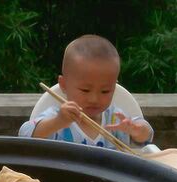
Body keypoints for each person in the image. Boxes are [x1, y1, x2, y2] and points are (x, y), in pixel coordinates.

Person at [19, 35, 153, 149]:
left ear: (114, 87)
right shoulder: (58, 116)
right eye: (85, 90)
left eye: (105, 91)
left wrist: (136, 130)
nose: (94, 98)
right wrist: (58, 121)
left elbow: (147, 136)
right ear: (64, 85)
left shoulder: (115, 119)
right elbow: (24, 135)